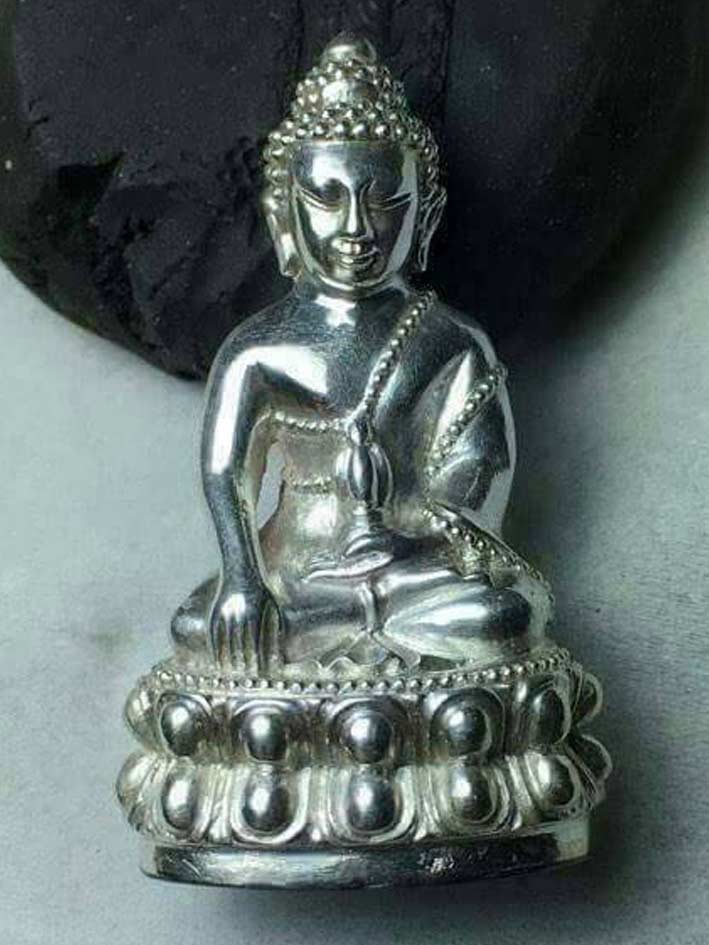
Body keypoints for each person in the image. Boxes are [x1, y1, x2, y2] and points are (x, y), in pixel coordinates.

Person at [171, 35, 553, 676]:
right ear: (283, 213)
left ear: (425, 215)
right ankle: (346, 626)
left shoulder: (451, 343)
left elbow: (482, 470)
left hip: (415, 571)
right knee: (197, 625)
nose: (355, 228)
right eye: (326, 199)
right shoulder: (256, 350)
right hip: (298, 572)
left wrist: (410, 539)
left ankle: (346, 628)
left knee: (504, 615)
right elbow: (225, 474)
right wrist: (242, 579)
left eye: (384, 202)